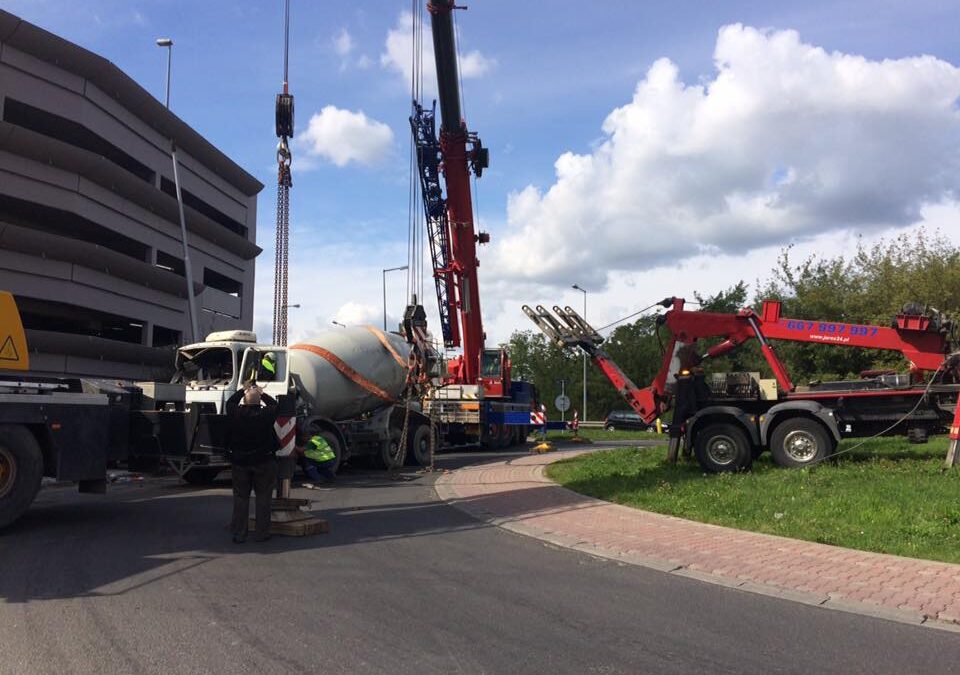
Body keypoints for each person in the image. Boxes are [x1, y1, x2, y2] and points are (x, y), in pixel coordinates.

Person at [224, 383, 280, 543]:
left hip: (240, 461)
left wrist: (243, 390)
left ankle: (240, 533)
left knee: (241, 497)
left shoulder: (236, 413)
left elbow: (230, 403)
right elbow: (274, 405)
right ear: (258, 403)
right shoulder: (266, 414)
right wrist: (261, 393)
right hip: (264, 461)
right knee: (263, 498)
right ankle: (262, 533)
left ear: (244, 402)